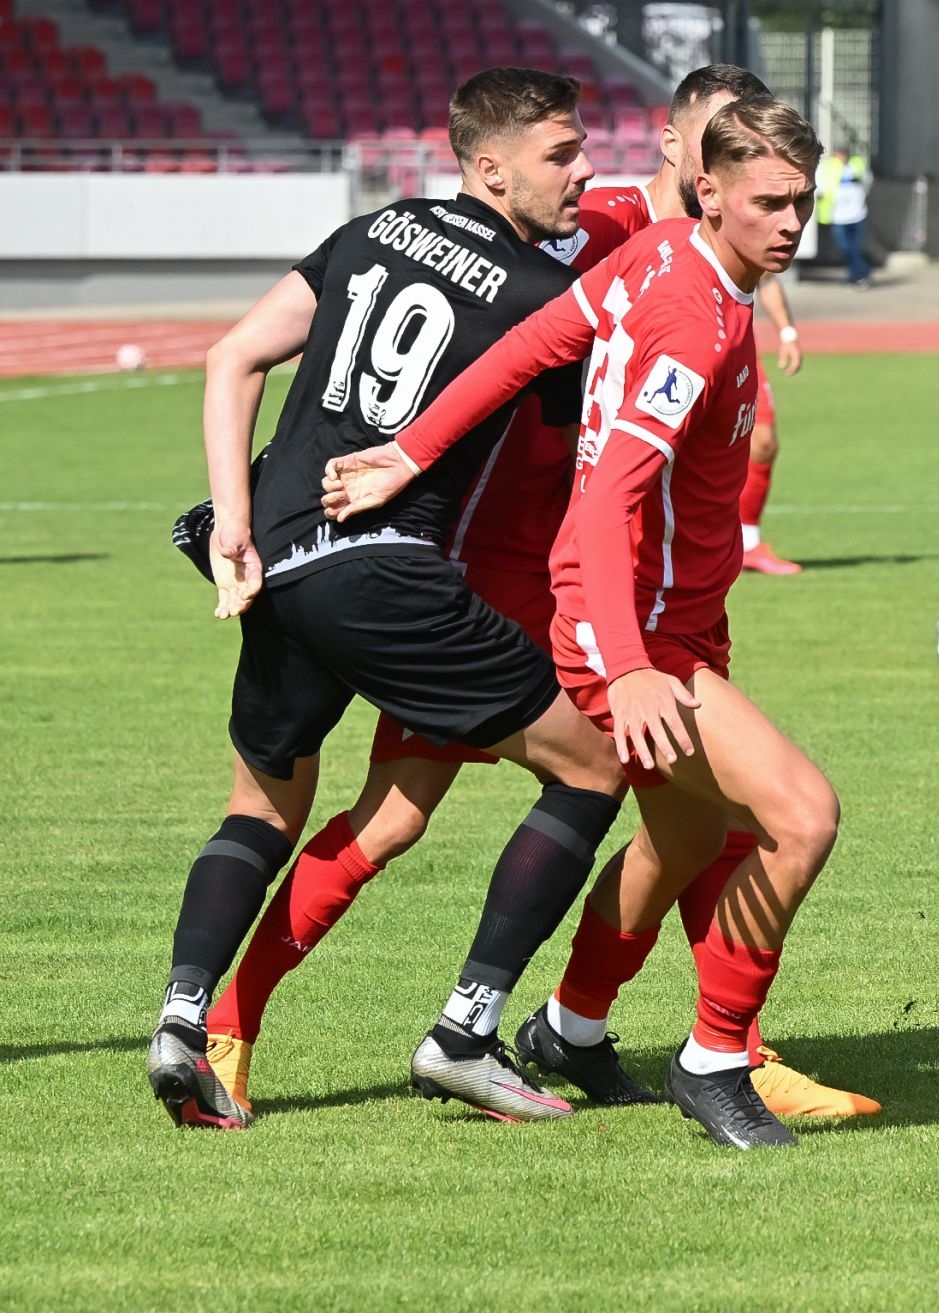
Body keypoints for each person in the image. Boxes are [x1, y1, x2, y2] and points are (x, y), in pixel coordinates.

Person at [194, 66, 872, 1122]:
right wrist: (401, 456)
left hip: (634, 582)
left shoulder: (689, 257)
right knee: (399, 816)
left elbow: (558, 359)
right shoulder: (602, 233)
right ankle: (238, 1022)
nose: (585, 166)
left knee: (692, 822)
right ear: (688, 153)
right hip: (510, 576)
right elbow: (530, 358)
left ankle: (597, 1030)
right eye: (717, 142)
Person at [146, 67, 632, 1130]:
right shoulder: (537, 293)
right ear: (491, 166)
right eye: (561, 154)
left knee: (261, 808)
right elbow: (588, 451)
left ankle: (183, 1019)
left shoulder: (372, 229)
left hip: (275, 567)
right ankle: (467, 1030)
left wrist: (233, 526)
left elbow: (233, 357)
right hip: (385, 574)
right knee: (596, 763)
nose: (585, 171)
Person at [815, 145, 872, 287]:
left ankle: (856, 276)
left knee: (855, 247)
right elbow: (819, 186)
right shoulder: (827, 167)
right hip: (838, 215)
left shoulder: (857, 164)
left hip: (858, 213)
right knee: (845, 247)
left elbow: (868, 181)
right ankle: (862, 271)